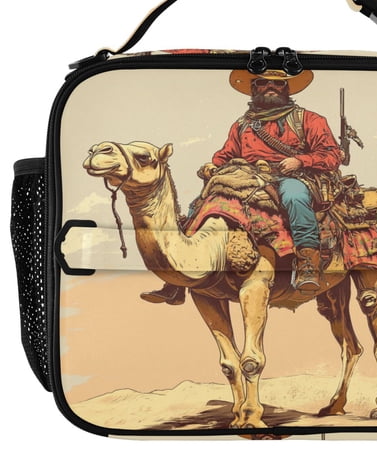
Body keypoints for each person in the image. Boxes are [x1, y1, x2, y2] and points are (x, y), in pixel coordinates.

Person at [140, 68, 341, 305]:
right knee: (202, 203)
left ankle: (308, 264)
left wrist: (300, 161)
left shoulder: (309, 120)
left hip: (292, 176)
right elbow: (226, 154)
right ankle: (177, 280)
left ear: (286, 88)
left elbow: (331, 155)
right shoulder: (242, 125)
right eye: (263, 83)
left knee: (294, 197)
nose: (270, 87)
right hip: (246, 177)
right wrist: (214, 166)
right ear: (254, 88)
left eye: (277, 84)